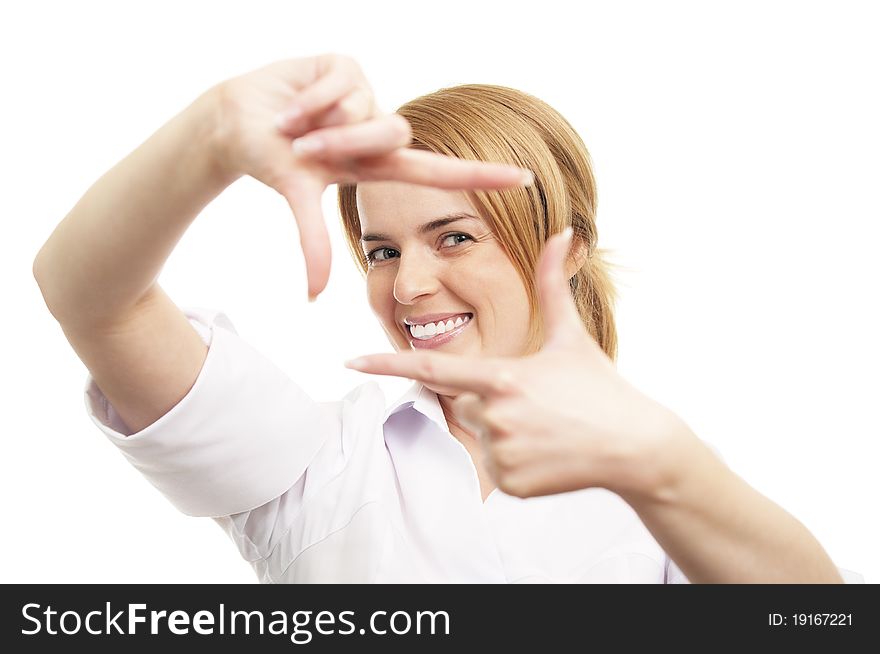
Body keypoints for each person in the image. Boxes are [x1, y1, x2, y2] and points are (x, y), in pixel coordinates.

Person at [34, 54, 852, 583]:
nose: (410, 284)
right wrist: (211, 136)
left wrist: (665, 466)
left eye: (453, 237)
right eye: (381, 250)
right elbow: (93, 301)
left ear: (565, 249)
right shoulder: (318, 462)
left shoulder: (660, 481)